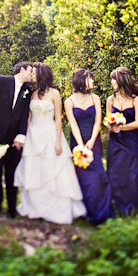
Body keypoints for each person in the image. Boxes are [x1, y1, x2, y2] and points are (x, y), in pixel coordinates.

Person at [14, 62, 86, 224]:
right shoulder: (31, 93)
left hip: (50, 133)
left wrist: (58, 141)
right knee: (35, 170)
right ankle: (35, 207)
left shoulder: (54, 94)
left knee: (52, 170)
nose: (32, 74)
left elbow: (58, 118)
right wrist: (23, 136)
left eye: (34, 72)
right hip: (33, 134)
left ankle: (56, 209)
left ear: (41, 74)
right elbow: (29, 117)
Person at [65, 69, 114, 224]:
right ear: (82, 80)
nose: (93, 81)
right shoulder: (69, 101)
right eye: (90, 79)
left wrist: (92, 140)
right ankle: (83, 210)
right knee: (82, 175)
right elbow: (72, 123)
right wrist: (80, 145)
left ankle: (100, 210)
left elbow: (98, 120)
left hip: (94, 140)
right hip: (78, 141)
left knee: (98, 174)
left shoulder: (95, 98)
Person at [0, 62, 33, 218]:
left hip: (14, 139)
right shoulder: (1, 81)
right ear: (22, 70)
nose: (32, 74)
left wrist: (21, 136)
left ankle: (12, 208)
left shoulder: (27, 90)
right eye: (30, 71)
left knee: (12, 172)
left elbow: (24, 114)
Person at [105, 67, 138, 215]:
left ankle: (134, 205)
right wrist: (110, 126)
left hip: (131, 141)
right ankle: (117, 203)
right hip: (115, 142)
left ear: (121, 80)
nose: (112, 82)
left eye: (114, 79)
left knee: (132, 171)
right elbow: (107, 120)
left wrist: (121, 128)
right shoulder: (110, 100)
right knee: (116, 171)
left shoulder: (136, 100)